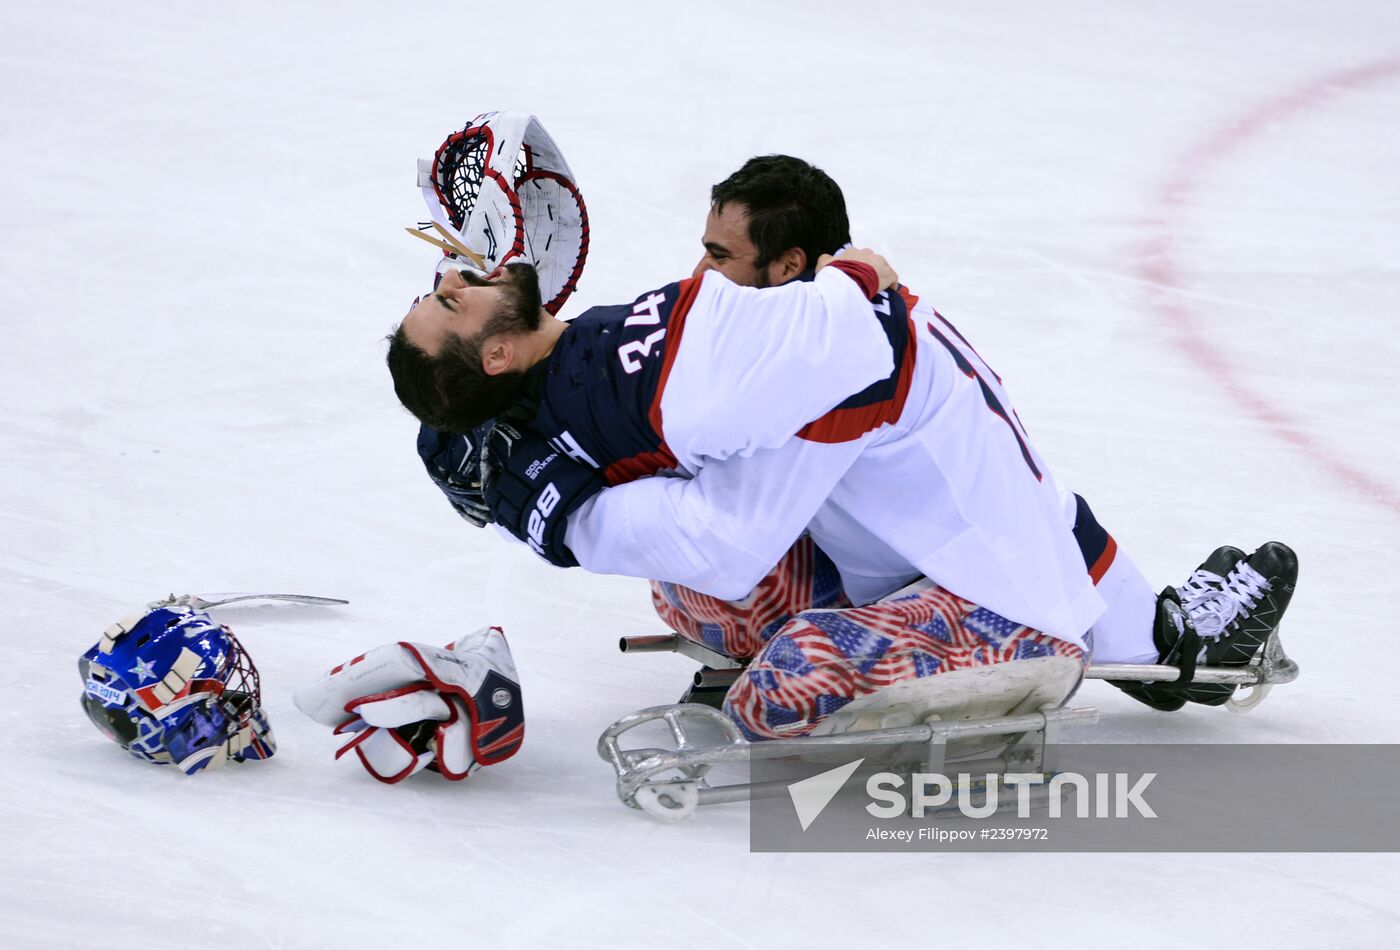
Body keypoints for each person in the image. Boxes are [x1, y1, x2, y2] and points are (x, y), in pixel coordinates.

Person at [409, 156, 1298, 718]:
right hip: (928, 550)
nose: (698, 276)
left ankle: (1156, 644)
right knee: (692, 582)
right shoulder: (781, 341)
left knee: (781, 683)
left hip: (1001, 600)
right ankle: (1167, 635)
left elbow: (725, 541)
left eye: (721, 256)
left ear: (788, 270)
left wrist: (560, 516)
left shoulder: (826, 366)